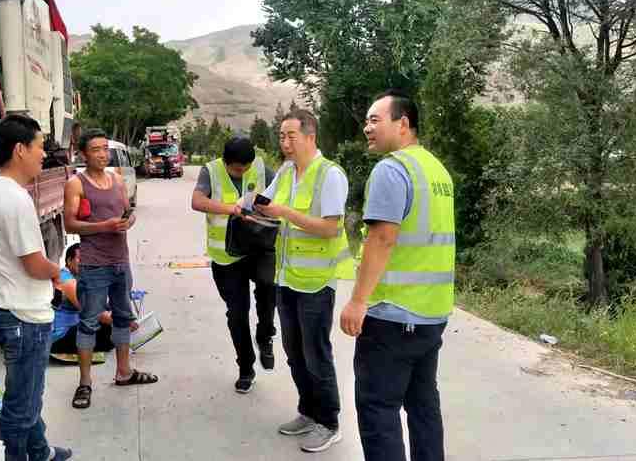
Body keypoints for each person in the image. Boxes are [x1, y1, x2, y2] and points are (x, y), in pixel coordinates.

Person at [339, 90, 455, 461]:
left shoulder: (392, 169)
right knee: (423, 406)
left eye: (375, 120)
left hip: (392, 316)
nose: (367, 127)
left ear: (403, 123)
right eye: (366, 120)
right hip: (432, 314)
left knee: (378, 409)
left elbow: (382, 238)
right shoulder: (436, 170)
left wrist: (358, 301)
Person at [0, 114, 72, 461]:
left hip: (10, 309)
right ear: (20, 149)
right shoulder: (14, 199)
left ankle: (40, 452)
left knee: (26, 394)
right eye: (40, 146)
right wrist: (62, 276)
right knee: (22, 407)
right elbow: (34, 264)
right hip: (24, 316)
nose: (44, 154)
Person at [256, 109, 353, 453]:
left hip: (315, 282)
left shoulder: (330, 175)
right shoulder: (286, 171)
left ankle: (329, 422)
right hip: (286, 277)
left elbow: (330, 227)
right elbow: (266, 202)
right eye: (281, 136)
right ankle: (309, 411)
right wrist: (249, 207)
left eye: (291, 136)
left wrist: (284, 212)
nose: (284, 142)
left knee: (316, 353)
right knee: (294, 352)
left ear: (310, 136)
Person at [63, 127, 158, 410]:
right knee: (89, 322)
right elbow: (69, 224)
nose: (103, 154)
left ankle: (124, 372)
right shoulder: (76, 184)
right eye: (96, 150)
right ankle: (85, 383)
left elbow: (128, 211)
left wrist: (128, 221)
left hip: (121, 260)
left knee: (122, 317)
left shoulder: (117, 179)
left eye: (105, 148)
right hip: (94, 264)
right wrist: (104, 226)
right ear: (83, 154)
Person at [191, 136, 277, 394]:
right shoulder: (211, 171)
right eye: (238, 169)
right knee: (237, 314)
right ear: (226, 162)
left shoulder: (260, 168)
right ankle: (246, 368)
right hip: (227, 256)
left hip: (259, 247)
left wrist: (263, 210)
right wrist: (232, 209)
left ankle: (265, 334)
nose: (242, 172)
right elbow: (197, 201)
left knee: (268, 286)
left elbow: (280, 196)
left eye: (245, 167)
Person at [49, 243, 120, 360]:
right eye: (81, 259)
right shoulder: (66, 280)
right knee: (109, 329)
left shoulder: (78, 279)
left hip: (70, 330)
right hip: (59, 337)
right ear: (69, 260)